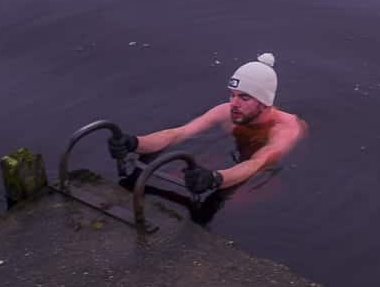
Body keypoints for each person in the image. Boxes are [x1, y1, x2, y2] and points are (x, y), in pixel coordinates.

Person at [110, 52, 305, 192]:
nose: (233, 104)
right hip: (237, 158)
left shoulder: (286, 128)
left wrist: (215, 179)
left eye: (244, 98)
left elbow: (257, 163)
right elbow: (179, 133)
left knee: (243, 198)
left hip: (262, 173)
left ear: (264, 103)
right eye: (232, 95)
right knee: (180, 174)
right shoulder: (225, 112)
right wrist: (134, 143)